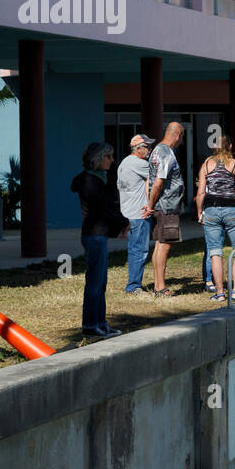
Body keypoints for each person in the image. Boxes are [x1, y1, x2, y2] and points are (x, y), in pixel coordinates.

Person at [71, 142, 128, 338]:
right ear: (98, 158)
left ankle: (100, 323)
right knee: (95, 282)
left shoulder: (98, 179)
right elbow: (101, 210)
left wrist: (121, 222)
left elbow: (108, 208)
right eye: (109, 156)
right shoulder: (90, 181)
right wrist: (122, 222)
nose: (112, 160)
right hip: (94, 235)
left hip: (99, 234)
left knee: (101, 281)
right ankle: (90, 325)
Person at [195, 133, 235, 302]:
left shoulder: (206, 164)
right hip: (232, 211)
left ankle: (219, 292)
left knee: (215, 252)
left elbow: (201, 192)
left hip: (211, 211)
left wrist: (199, 211)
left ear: (215, 147)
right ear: (231, 146)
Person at [143, 121, 185, 297]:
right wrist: (150, 206)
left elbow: (149, 180)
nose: (181, 141)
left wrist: (149, 202)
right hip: (167, 206)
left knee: (159, 244)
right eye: (182, 137)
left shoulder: (155, 150)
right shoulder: (166, 153)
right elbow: (158, 182)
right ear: (178, 135)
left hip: (160, 204)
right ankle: (160, 287)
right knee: (165, 245)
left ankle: (158, 285)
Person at [117, 133, 154, 294]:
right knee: (139, 250)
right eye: (147, 147)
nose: (150, 150)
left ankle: (134, 284)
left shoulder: (126, 162)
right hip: (139, 214)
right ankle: (133, 286)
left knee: (135, 249)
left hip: (130, 212)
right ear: (138, 148)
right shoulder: (138, 163)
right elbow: (160, 176)